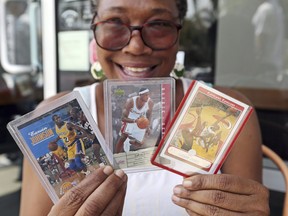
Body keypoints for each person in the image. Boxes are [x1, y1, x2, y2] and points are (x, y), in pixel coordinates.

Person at [20, 0, 269, 215]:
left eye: (159, 24)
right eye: (115, 23)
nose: (136, 47)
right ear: (94, 28)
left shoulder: (224, 109)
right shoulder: (53, 117)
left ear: (179, 32)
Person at [115, 87, 154, 153]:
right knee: (123, 137)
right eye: (146, 95)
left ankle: (129, 141)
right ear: (140, 95)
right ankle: (116, 155)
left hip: (142, 121)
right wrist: (134, 121)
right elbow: (123, 118)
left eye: (148, 95)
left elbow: (149, 114)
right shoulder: (131, 102)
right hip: (130, 119)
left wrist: (148, 126)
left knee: (140, 144)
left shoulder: (150, 102)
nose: (148, 97)